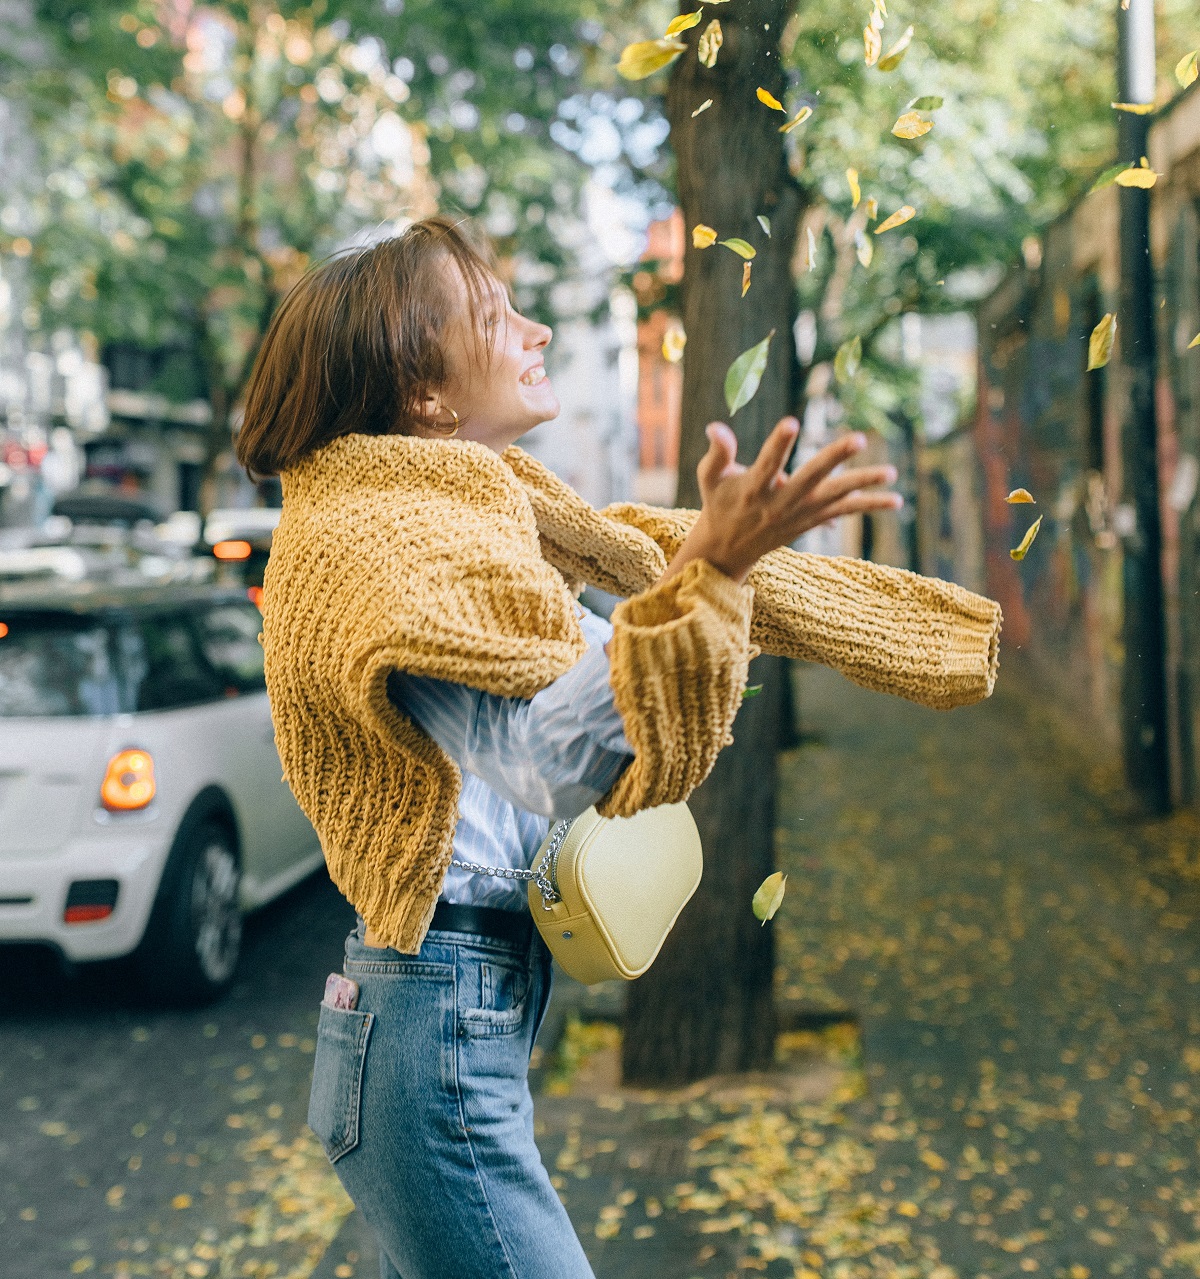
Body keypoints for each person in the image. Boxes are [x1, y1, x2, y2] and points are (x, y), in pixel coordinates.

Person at [235, 215, 999, 1279]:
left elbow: (606, 660)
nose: (537, 329)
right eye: (500, 317)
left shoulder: (464, 527)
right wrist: (704, 582)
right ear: (424, 386)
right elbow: (554, 755)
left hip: (454, 1020)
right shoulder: (388, 554)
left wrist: (710, 574)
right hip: (432, 1033)